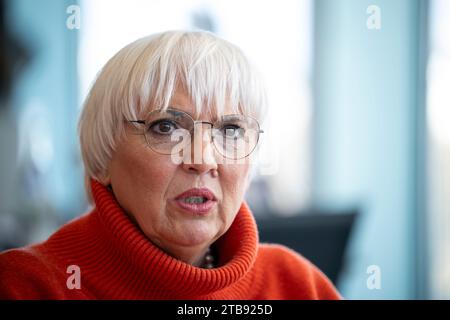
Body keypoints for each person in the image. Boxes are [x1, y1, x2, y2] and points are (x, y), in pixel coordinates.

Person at [0, 30, 341, 299]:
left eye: (231, 130)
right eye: (166, 127)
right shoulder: (25, 285)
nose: (203, 160)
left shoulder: (296, 283)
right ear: (103, 154)